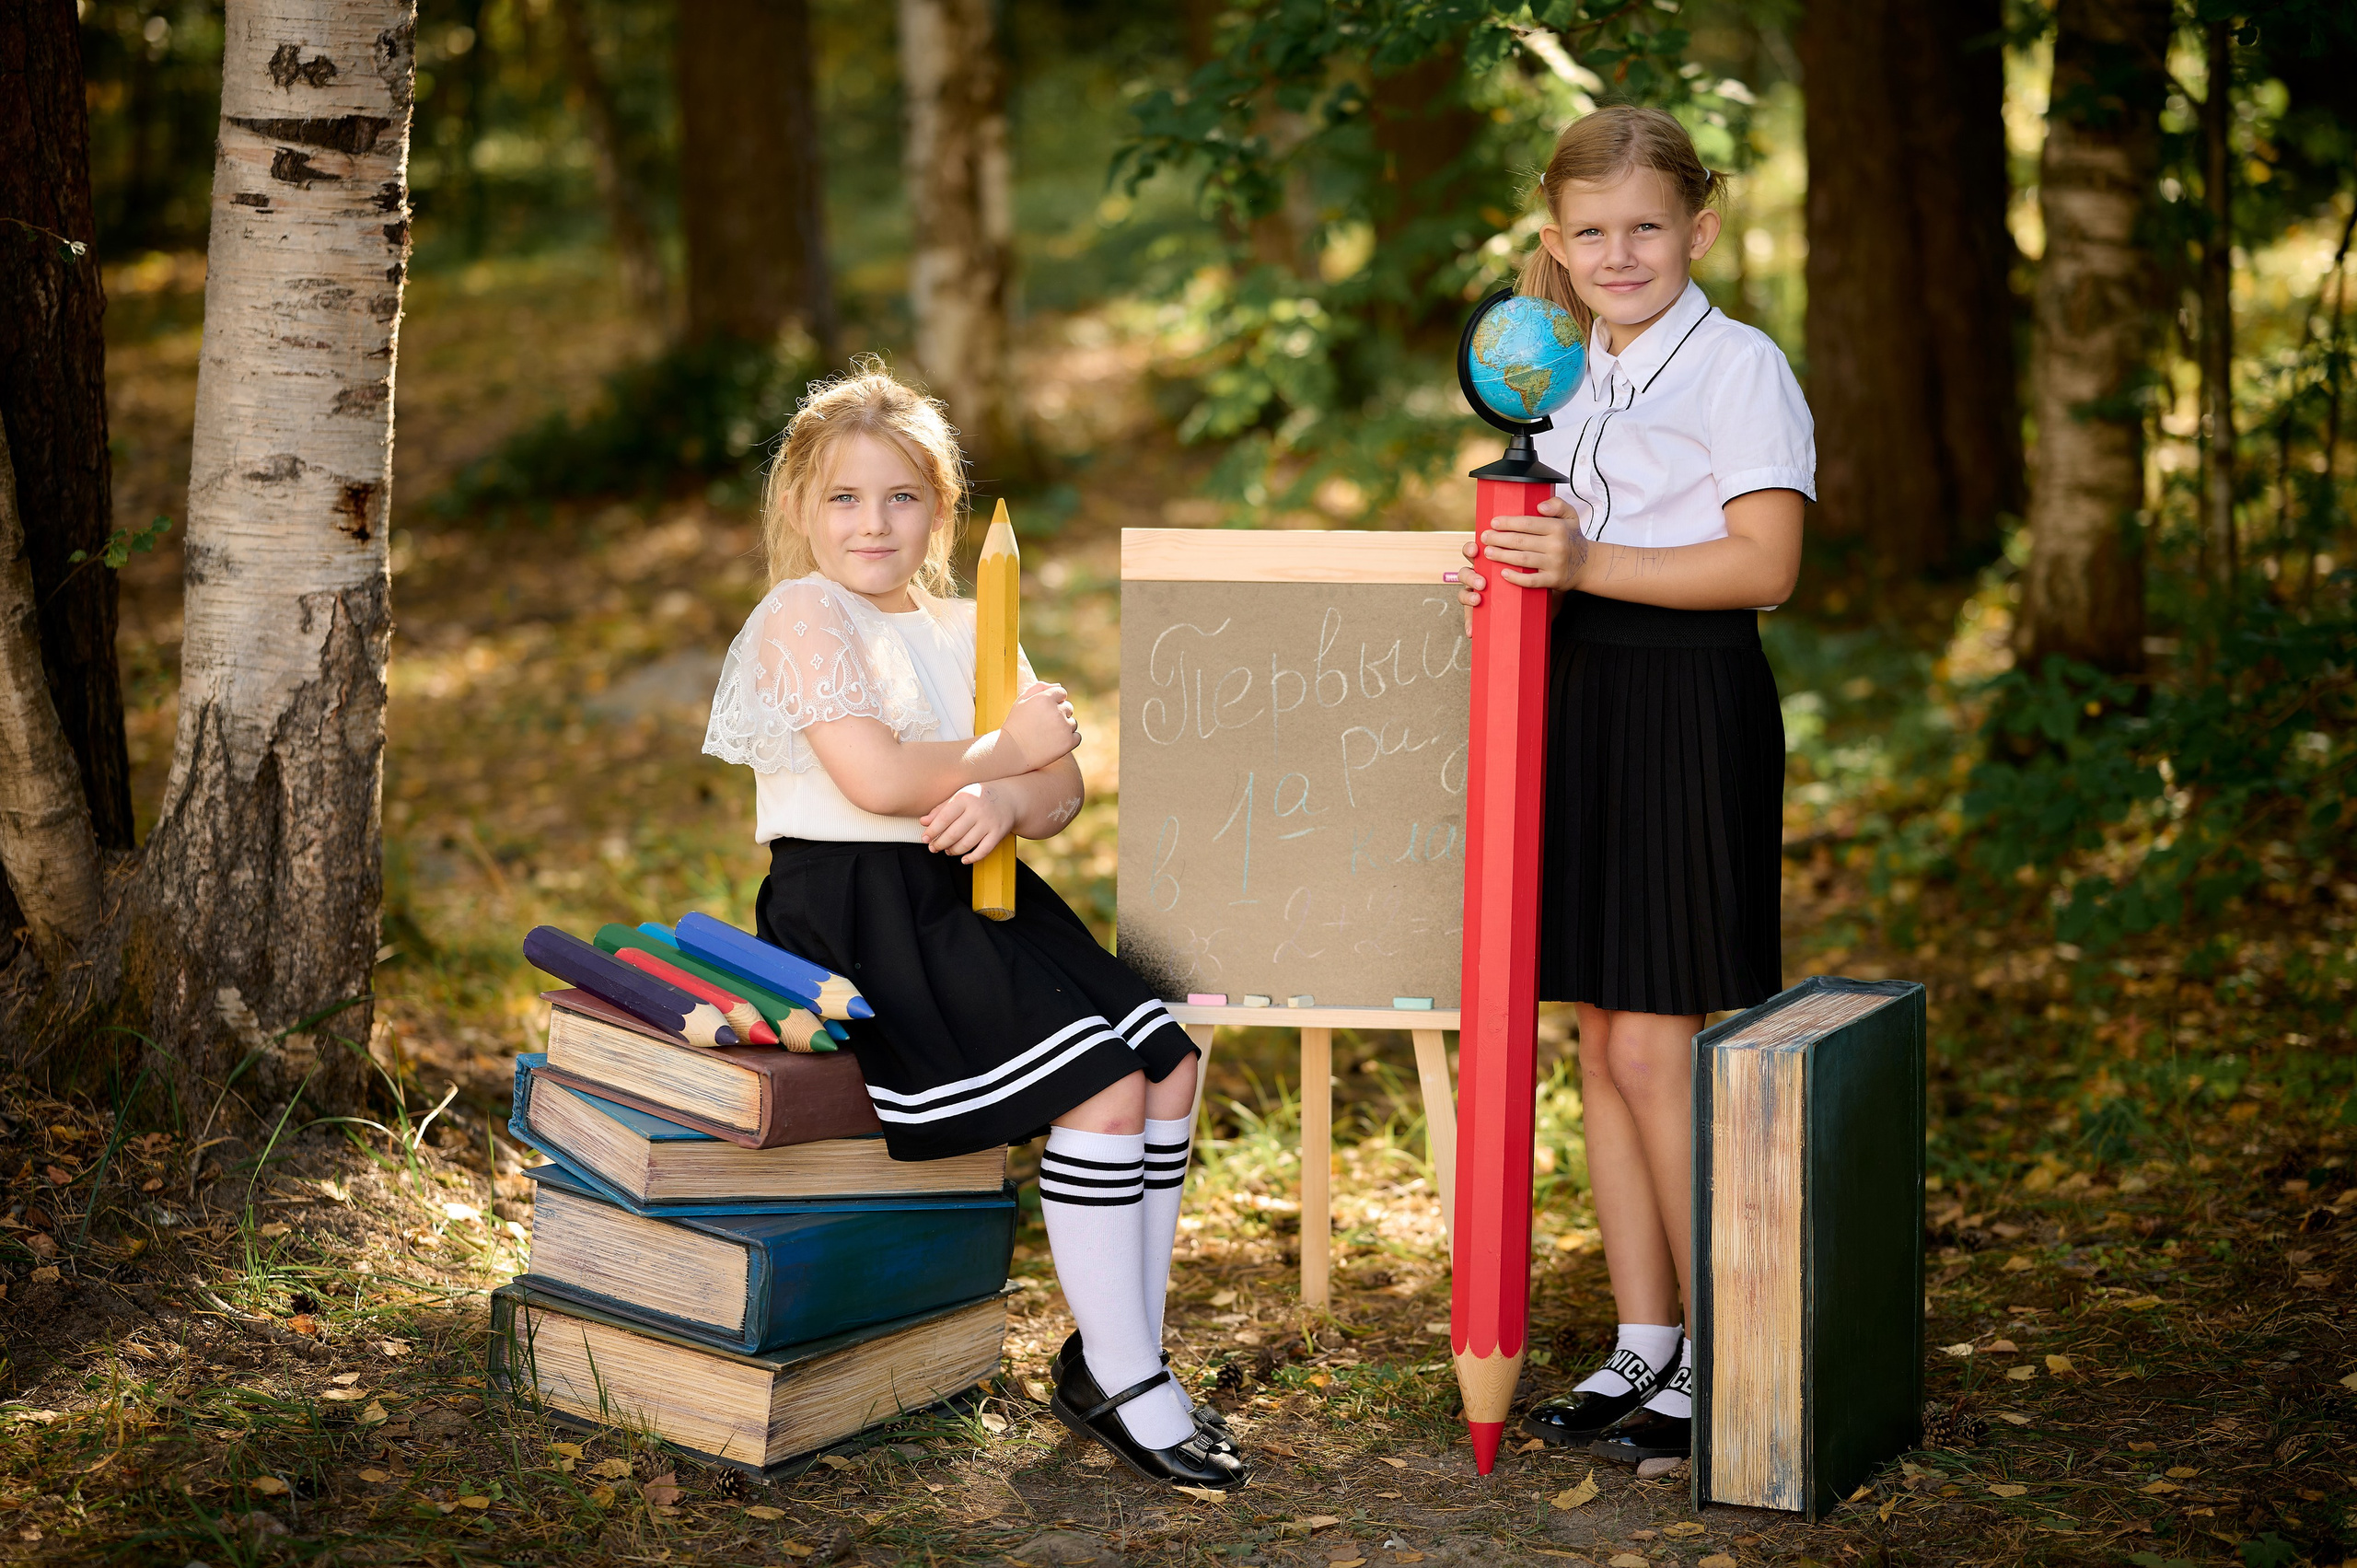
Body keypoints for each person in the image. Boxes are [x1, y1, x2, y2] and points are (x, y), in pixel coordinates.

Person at [702, 365, 1247, 1491]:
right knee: (1096, 1084)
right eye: (844, 498)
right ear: (800, 508)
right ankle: (1131, 1377)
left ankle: (1116, 1354)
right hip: (856, 908)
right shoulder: (803, 612)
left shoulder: (968, 622)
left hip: (984, 886)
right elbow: (875, 774)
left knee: (1166, 1061)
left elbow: (1064, 786)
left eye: (901, 497)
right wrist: (1002, 752)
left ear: (940, 509)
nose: (872, 522)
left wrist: (1008, 798)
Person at [1454, 106, 1814, 1464]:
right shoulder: (1569, 371)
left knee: (1659, 1040)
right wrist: (1511, 566)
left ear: (1698, 230)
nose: (1620, 254)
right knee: (1601, 1041)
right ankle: (1643, 1345)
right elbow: (1571, 530)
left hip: (1686, 697)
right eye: (1592, 233)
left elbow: (1764, 564)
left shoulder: (1740, 367)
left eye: (1646, 228)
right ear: (1556, 246)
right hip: (1582, 692)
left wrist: (1589, 567)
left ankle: (1729, 1349)